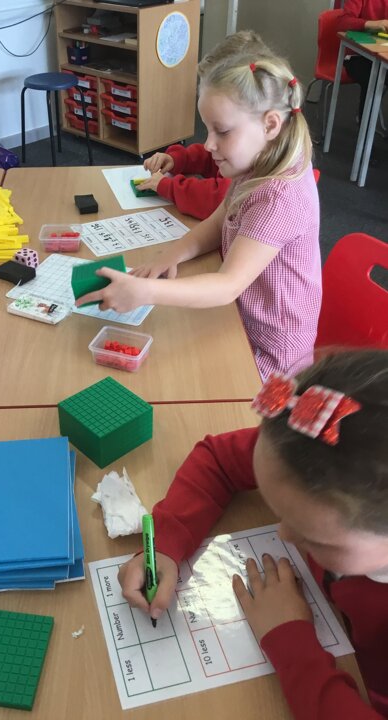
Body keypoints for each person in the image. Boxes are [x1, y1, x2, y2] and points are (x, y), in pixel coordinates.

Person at [118, 349, 388, 719]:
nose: (284, 533)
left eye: (316, 539)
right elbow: (218, 459)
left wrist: (291, 640)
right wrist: (166, 543)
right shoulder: (313, 445)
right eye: (280, 512)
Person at [76, 43, 322, 379]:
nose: (208, 144)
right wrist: (172, 254)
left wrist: (146, 292)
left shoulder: (279, 196)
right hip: (238, 320)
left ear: (270, 125)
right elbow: (221, 220)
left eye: (222, 131)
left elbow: (227, 286)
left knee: (174, 376)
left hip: (271, 356)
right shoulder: (254, 164)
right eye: (208, 129)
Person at [137, 31, 274, 221]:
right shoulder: (244, 143)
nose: (209, 144)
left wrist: (168, 186)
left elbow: (217, 199)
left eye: (222, 131)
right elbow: (211, 159)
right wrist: (178, 159)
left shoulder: (259, 168)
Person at [336, 0, 388, 119]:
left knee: (379, 74)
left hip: (383, 56)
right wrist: (371, 24)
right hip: (357, 56)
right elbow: (342, 22)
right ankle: (365, 125)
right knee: (373, 76)